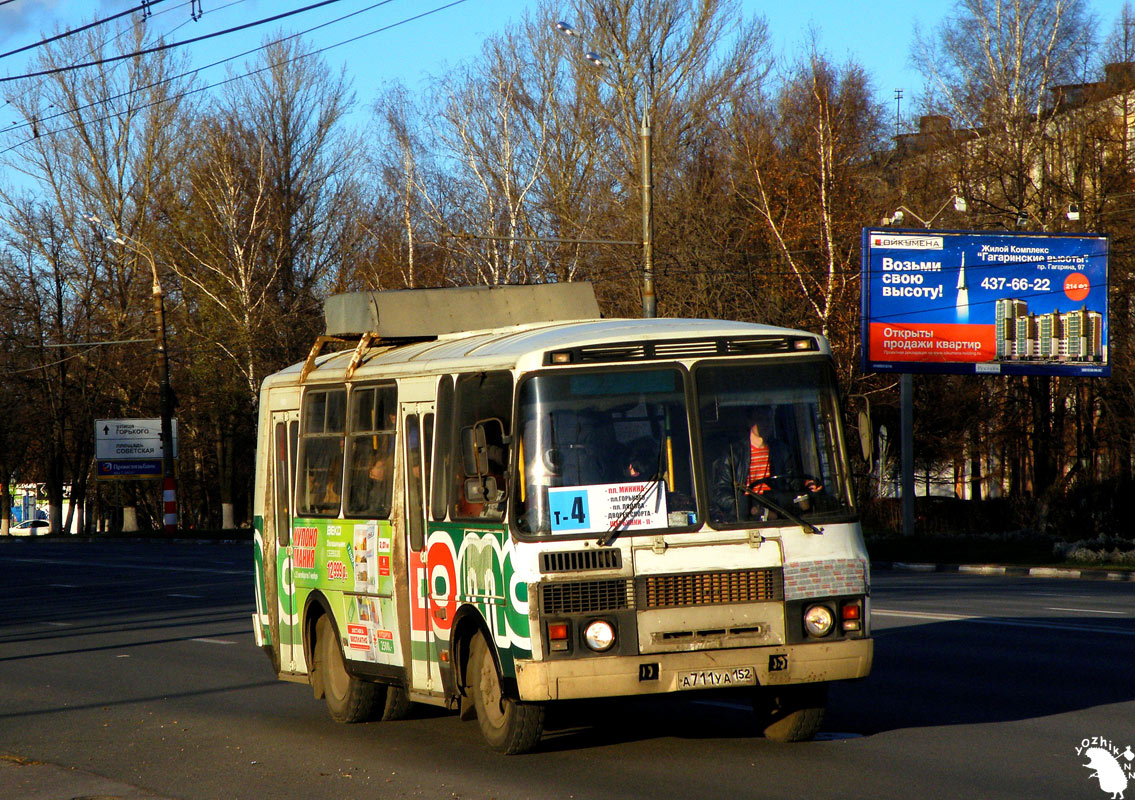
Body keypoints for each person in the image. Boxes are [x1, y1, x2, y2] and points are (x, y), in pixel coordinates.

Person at [711, 407, 803, 522]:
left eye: (768, 419)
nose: (765, 424)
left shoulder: (782, 451)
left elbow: (793, 482)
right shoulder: (732, 454)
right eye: (760, 419)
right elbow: (721, 492)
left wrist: (807, 486)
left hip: (778, 511)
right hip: (747, 517)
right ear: (750, 422)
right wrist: (741, 506)